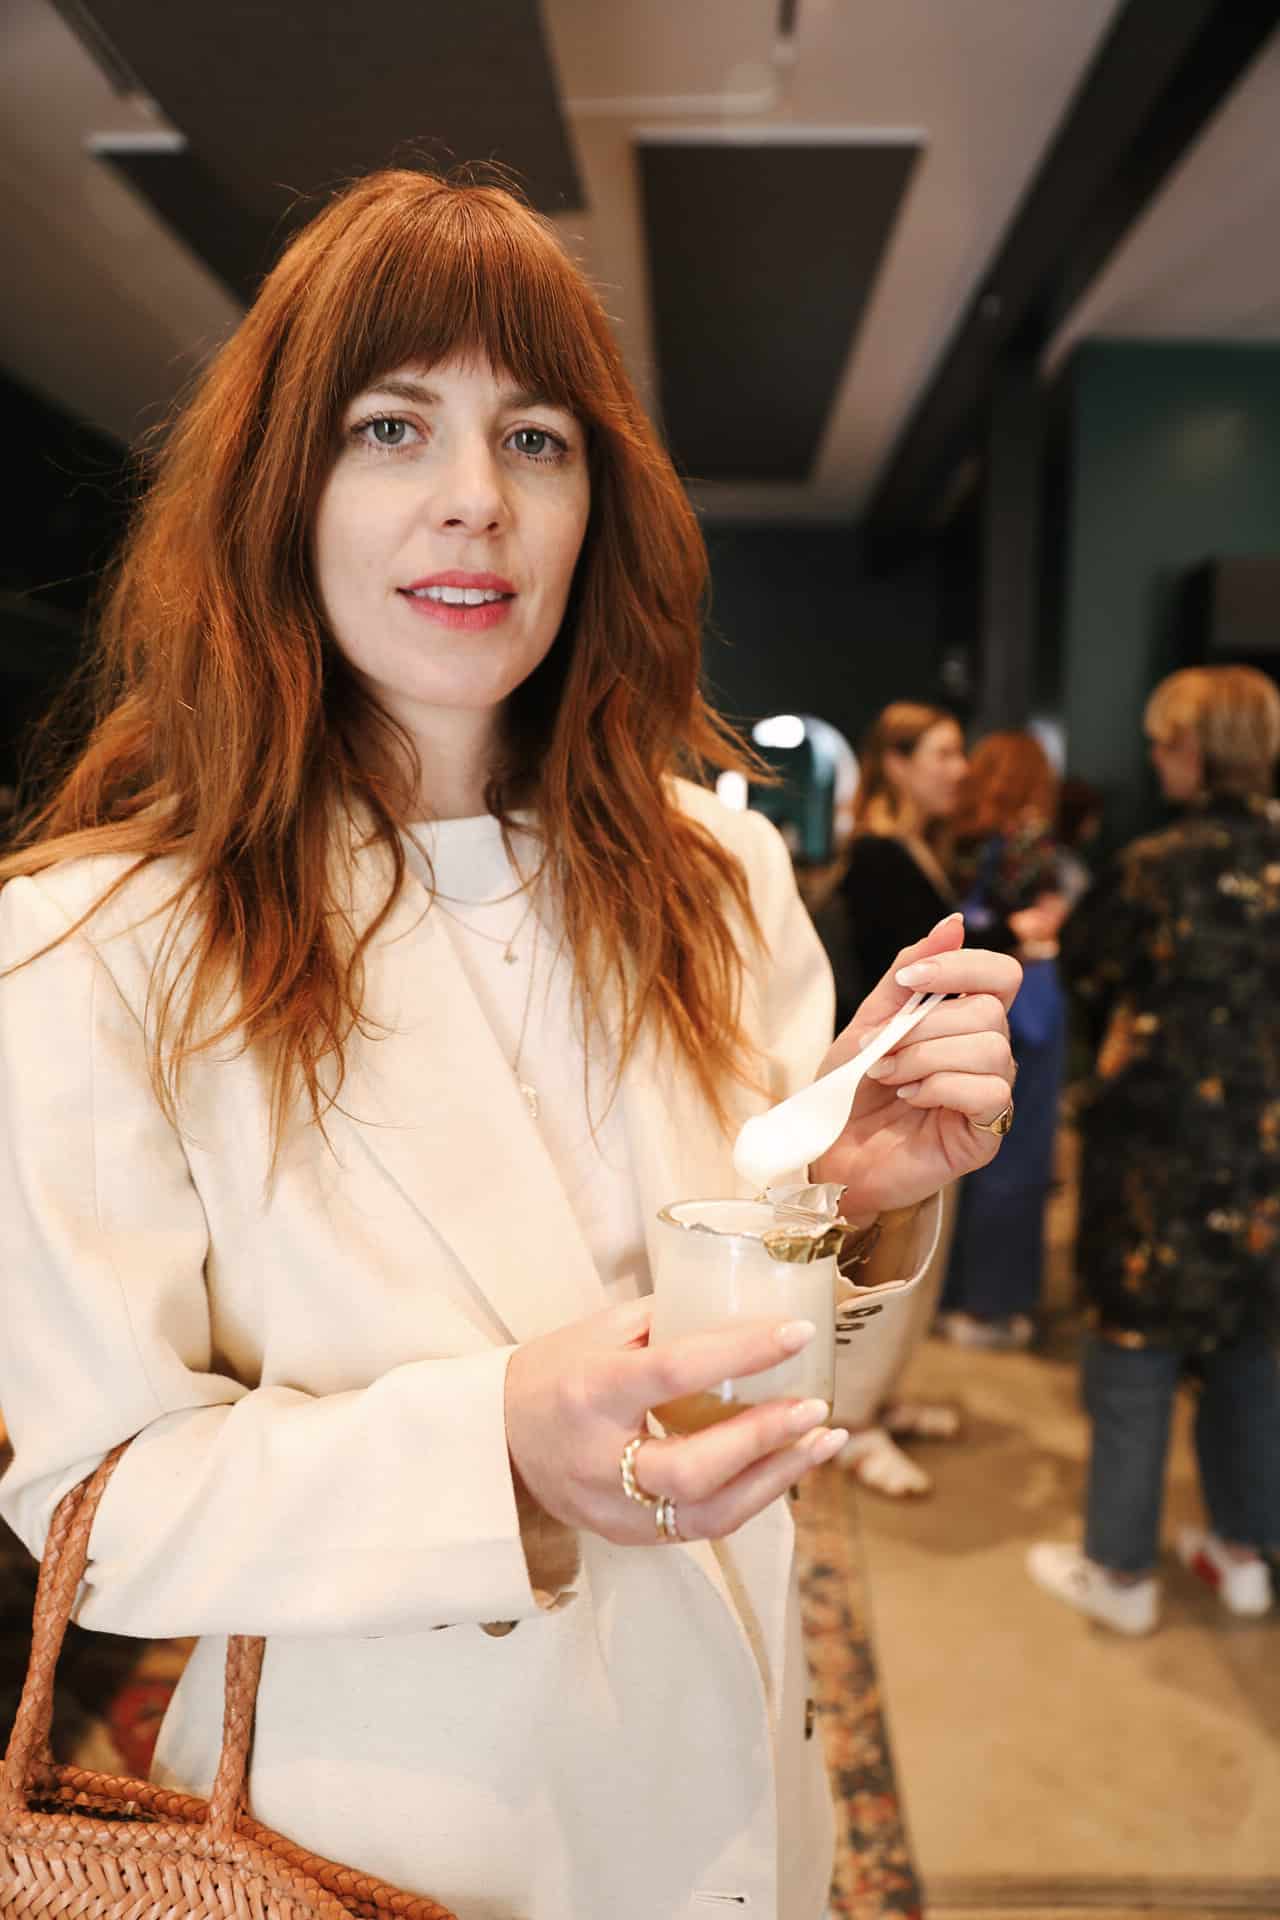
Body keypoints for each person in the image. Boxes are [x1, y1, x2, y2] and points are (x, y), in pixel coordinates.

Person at [0, 170, 1018, 1919]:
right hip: (389, 1841)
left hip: (737, 1807)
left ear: (595, 507)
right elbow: (99, 1503)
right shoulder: (97, 945)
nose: (475, 497)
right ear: (282, 492)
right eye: (392, 428)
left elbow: (795, 1406)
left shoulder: (720, 876)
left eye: (535, 439)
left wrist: (854, 1207)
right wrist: (494, 1452)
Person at [1029, 665, 1280, 1635]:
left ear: (1194, 750)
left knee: (1134, 1355)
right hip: (1266, 1163)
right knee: (1251, 1350)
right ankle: (1244, 1556)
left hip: (1158, 1152)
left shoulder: (1154, 866)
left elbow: (1087, 967)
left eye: (1165, 741)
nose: (1154, 756)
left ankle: (1120, 1574)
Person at [833, 703, 973, 1495]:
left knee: (923, 1248)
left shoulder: (917, 849)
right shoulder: (879, 856)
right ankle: (852, 1420)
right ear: (896, 761)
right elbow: (898, 979)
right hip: (894, 1083)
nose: (959, 770)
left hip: (928, 1076)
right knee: (886, 1251)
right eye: (943, 754)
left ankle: (880, 1397)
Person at [939, 731, 1069, 1348]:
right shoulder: (1028, 837)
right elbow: (1033, 921)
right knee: (1012, 1153)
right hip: (1027, 995)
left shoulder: (955, 836)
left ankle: (948, 1292)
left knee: (955, 1150)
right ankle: (989, 1304)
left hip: (965, 994)